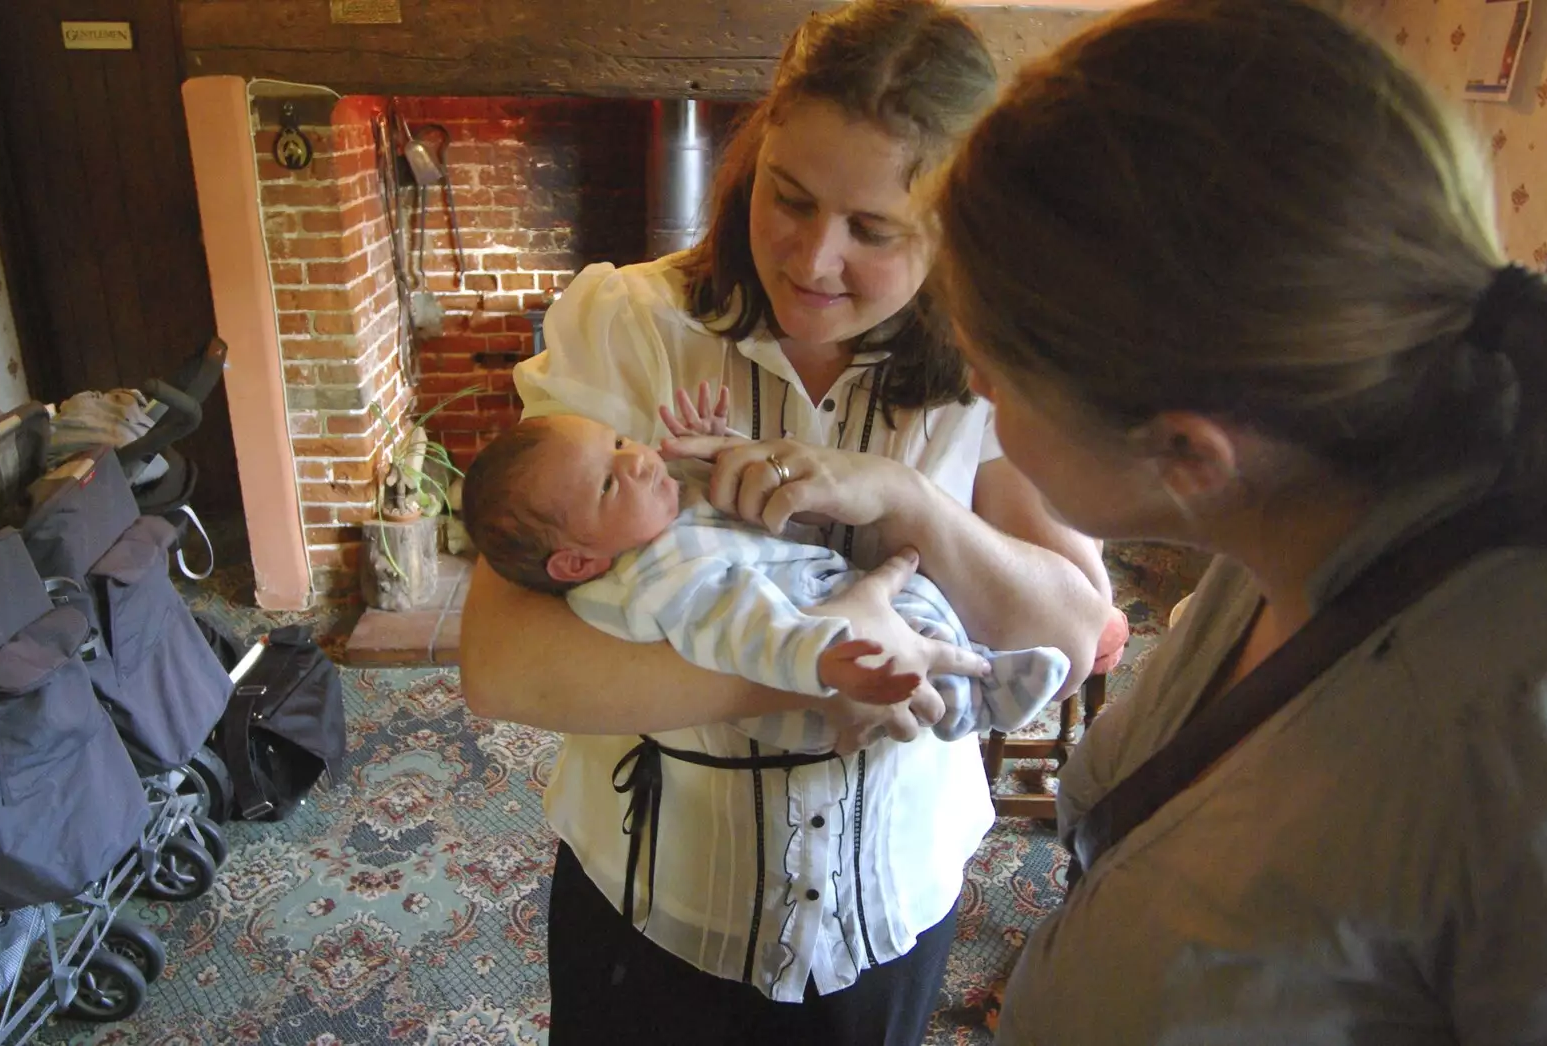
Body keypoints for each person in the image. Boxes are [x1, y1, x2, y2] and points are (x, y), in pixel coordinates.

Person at [457, 1, 1116, 1041]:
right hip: (654, 906)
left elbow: (1072, 635)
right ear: (750, 159)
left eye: (873, 230)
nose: (812, 260)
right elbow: (500, 663)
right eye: (789, 198)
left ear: (950, 229)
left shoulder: (995, 363)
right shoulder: (629, 324)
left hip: (887, 912)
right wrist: (825, 665)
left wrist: (905, 499)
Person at [931, 0, 1547, 1042]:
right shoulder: (1284, 521)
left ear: (1186, 452)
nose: (972, 386)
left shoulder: (1518, 748)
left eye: (994, 374)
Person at [461, 409, 1074, 752]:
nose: (641, 458)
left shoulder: (650, 522)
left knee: (919, 599)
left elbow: (734, 497)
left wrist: (724, 445)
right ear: (577, 563)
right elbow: (749, 628)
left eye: (619, 440)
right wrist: (831, 659)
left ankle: (982, 666)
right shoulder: (664, 582)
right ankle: (983, 693)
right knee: (917, 625)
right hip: (811, 642)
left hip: (826, 595)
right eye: (607, 482)